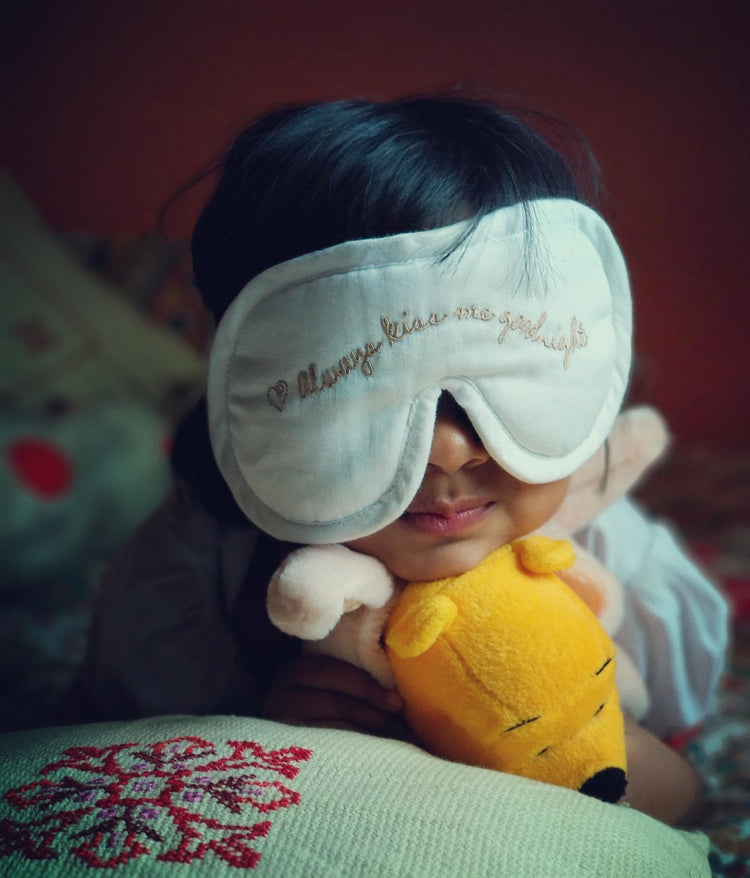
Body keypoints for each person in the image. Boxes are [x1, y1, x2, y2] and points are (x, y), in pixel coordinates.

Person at [59, 96, 728, 826]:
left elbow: (682, 789)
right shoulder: (200, 562)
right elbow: (145, 767)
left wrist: (570, 716)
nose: (449, 449)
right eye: (363, 392)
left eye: (497, 379)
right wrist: (264, 723)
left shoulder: (603, 540)